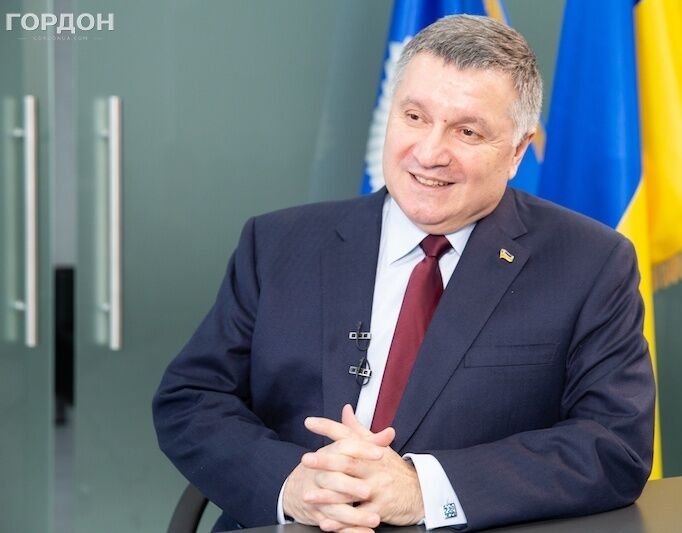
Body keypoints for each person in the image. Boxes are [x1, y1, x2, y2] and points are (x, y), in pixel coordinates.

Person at [153, 14, 654, 533]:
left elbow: (613, 445)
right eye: (415, 117)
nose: (430, 153)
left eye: (467, 131)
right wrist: (292, 484)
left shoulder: (590, 263)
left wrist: (423, 489)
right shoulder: (277, 244)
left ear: (517, 151)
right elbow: (191, 399)